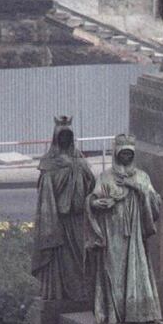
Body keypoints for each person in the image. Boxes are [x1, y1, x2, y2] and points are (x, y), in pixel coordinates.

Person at [84, 134, 162, 324]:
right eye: (122, 154)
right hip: (113, 231)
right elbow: (92, 199)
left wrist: (135, 187)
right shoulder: (106, 177)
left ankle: (137, 314)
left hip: (134, 234)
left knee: (136, 270)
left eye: (129, 154)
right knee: (113, 271)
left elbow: (154, 202)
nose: (126, 157)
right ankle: (113, 314)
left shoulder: (142, 176)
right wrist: (97, 203)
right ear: (116, 155)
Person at [31, 116, 95, 300]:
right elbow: (45, 198)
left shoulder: (81, 163)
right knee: (61, 260)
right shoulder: (48, 165)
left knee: (81, 260)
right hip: (57, 220)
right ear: (56, 139)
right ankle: (58, 293)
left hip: (78, 221)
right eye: (62, 136)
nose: (65, 140)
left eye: (68, 136)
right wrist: (50, 224)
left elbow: (92, 190)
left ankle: (82, 293)